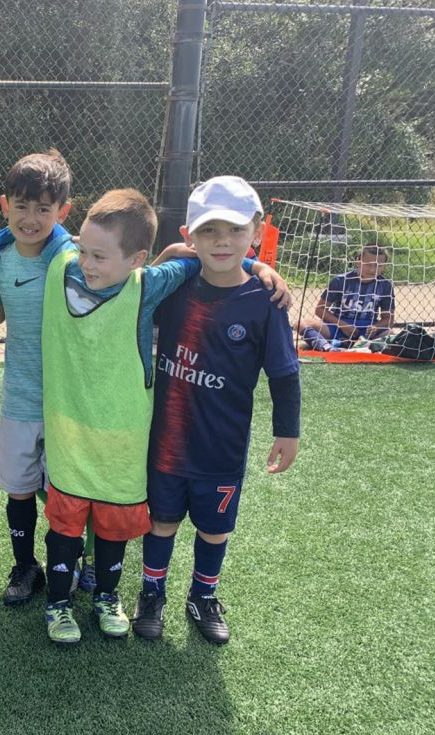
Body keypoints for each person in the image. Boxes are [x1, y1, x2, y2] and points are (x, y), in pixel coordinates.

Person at [39, 189, 289, 645]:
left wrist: (254, 266)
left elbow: (203, 262)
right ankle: (69, 600)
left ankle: (132, 596)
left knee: (124, 520)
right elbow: (40, 228)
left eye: (99, 256)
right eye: (83, 251)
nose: (86, 263)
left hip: (138, 438)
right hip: (76, 434)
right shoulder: (62, 264)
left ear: (136, 260)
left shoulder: (149, 286)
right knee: (74, 520)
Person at [133, 176, 300, 645]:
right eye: (209, 231)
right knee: (161, 521)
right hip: (165, 442)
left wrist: (288, 432)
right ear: (190, 235)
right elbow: (137, 280)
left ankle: (203, 596)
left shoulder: (264, 302)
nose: (222, 241)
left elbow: (284, 374)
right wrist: (170, 255)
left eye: (234, 229)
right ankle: (152, 592)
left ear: (258, 230)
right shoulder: (176, 287)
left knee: (214, 529)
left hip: (221, 448)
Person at [0, 150, 95, 605]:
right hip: (20, 398)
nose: (31, 218)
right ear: (4, 204)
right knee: (20, 489)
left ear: (63, 210)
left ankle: (77, 560)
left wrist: (253, 264)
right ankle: (26, 567)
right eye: (21, 207)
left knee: (69, 490)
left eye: (44, 208)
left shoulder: (74, 256)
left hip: (67, 401)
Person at [296, 244, 395, 350]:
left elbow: (388, 318)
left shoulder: (385, 285)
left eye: (378, 265)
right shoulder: (340, 281)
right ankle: (327, 347)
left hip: (367, 329)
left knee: (390, 334)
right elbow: (320, 310)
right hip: (338, 326)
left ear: (385, 266)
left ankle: (354, 344)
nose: (372, 269)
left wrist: (376, 327)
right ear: (358, 261)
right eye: (368, 264)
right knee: (301, 324)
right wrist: (342, 325)